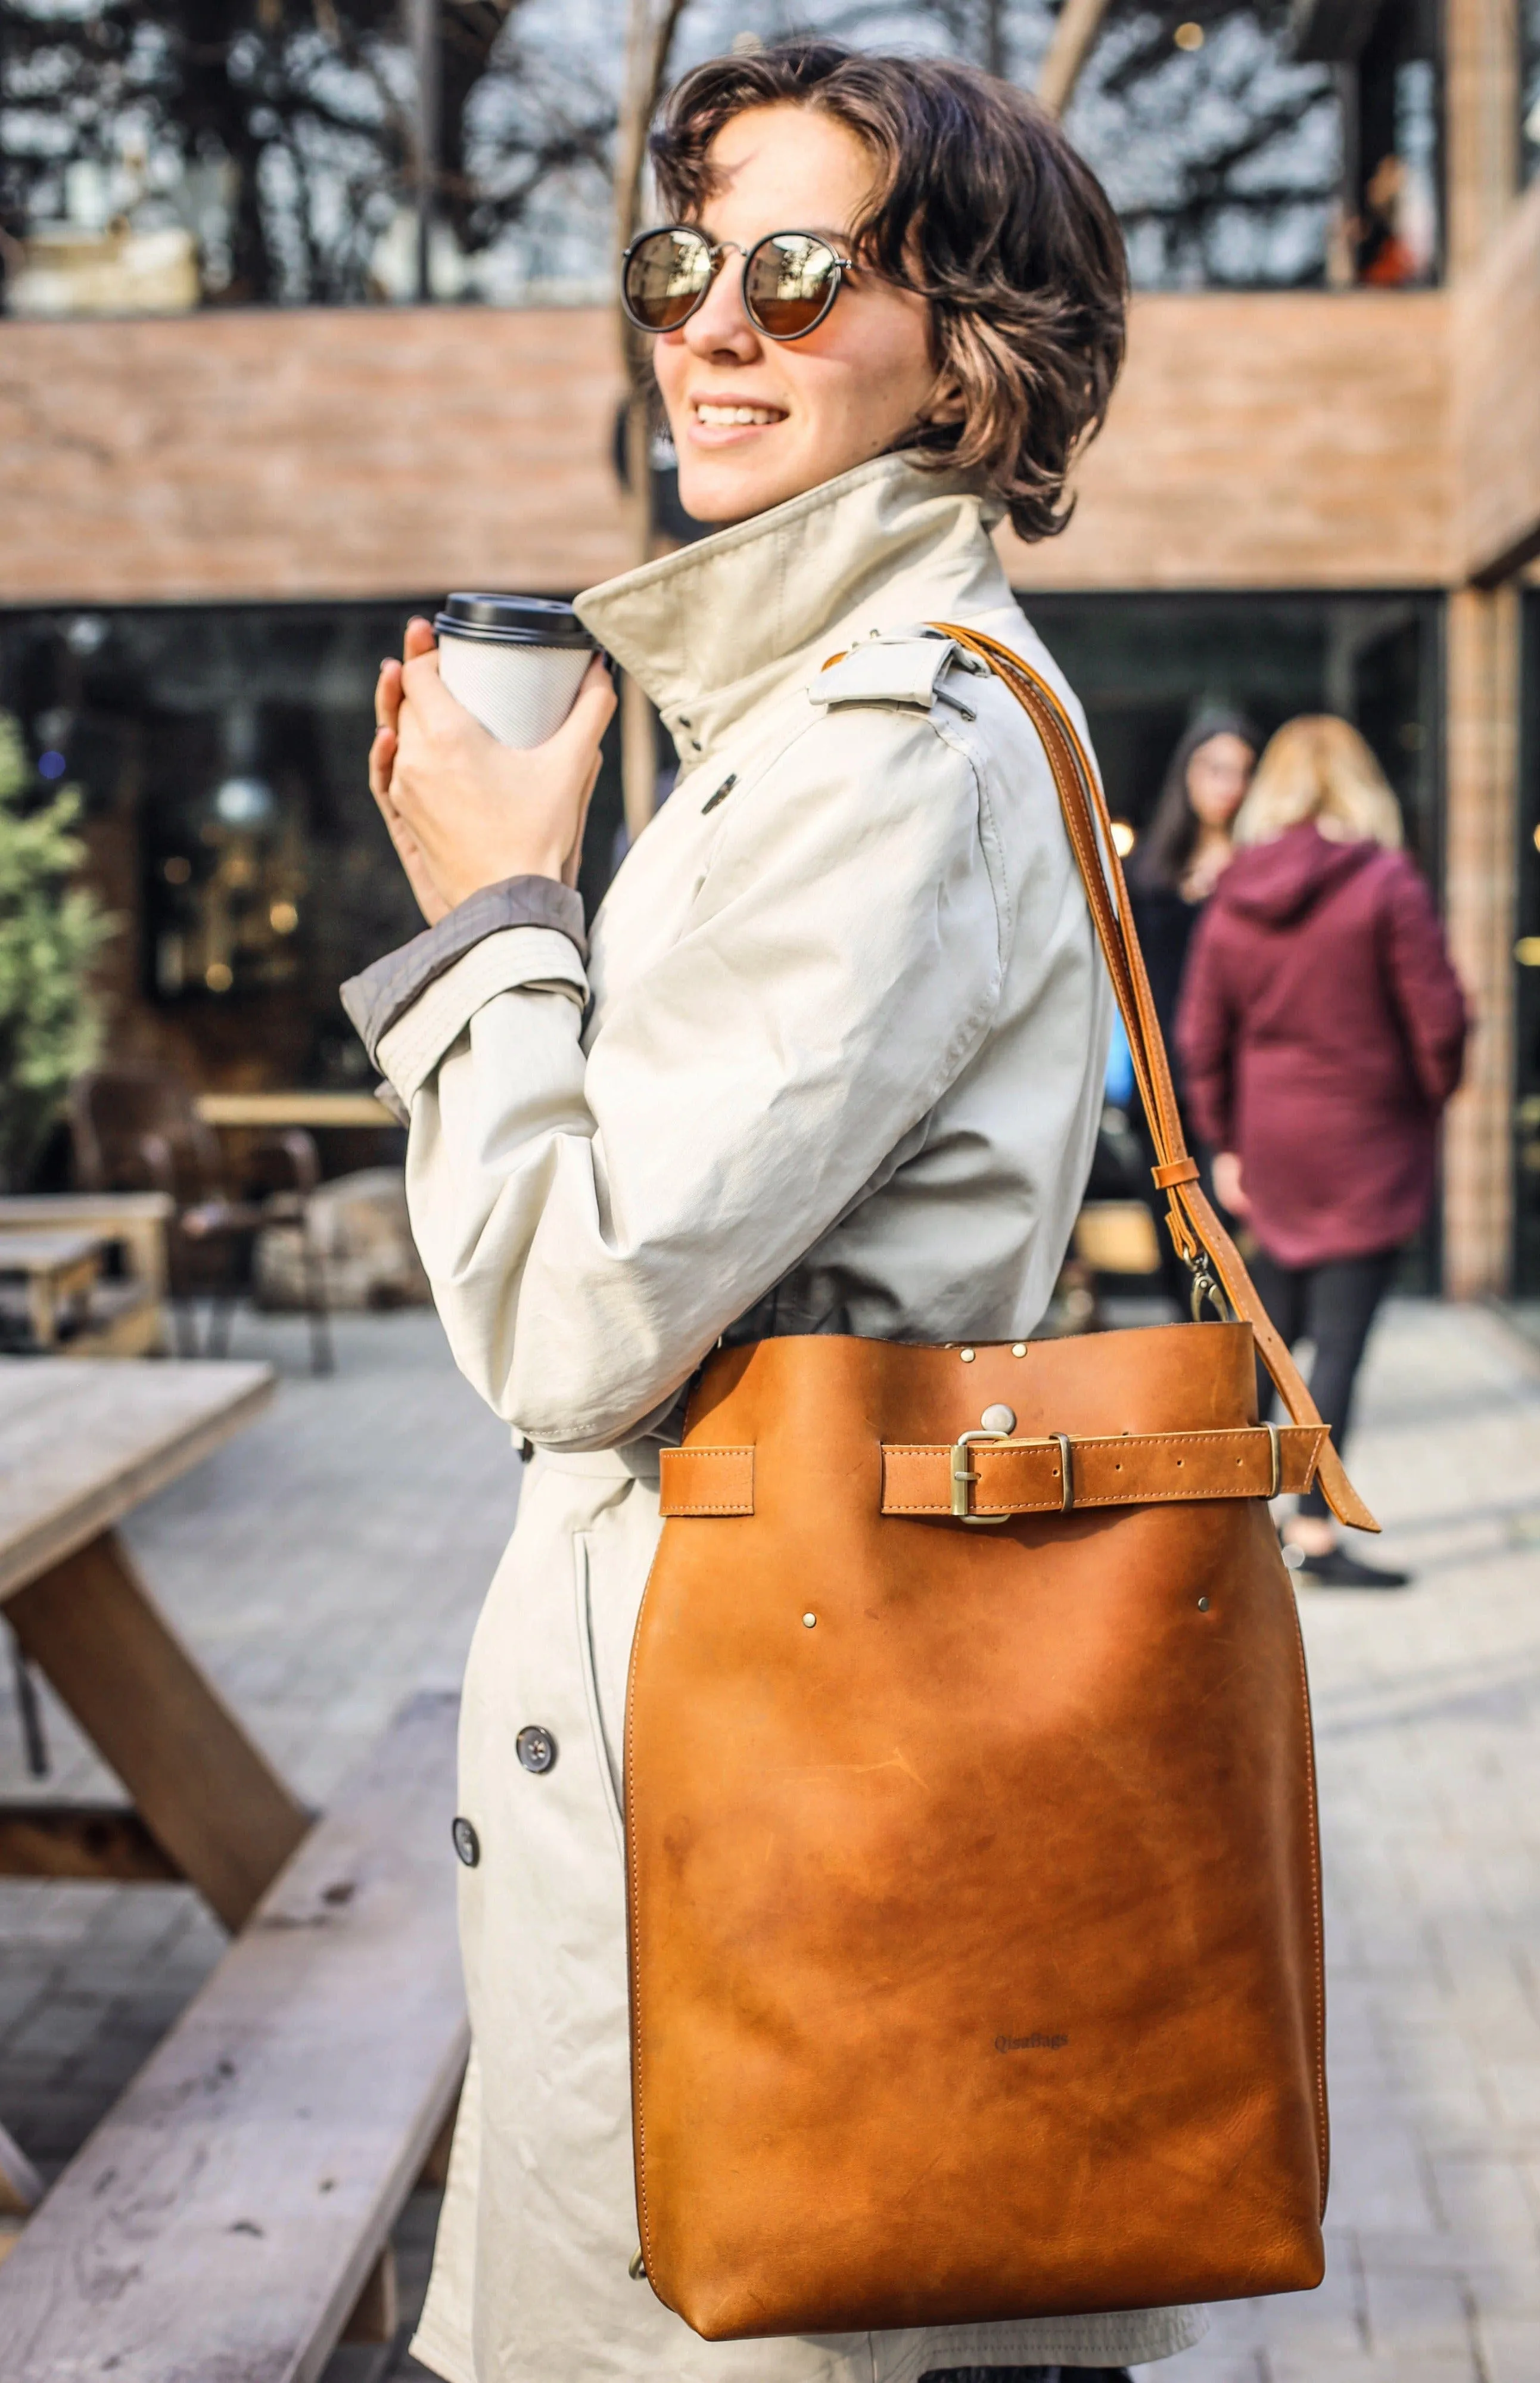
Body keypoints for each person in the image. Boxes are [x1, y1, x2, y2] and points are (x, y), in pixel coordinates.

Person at [345, 40, 1204, 2383]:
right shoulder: (826, 715)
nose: (710, 323)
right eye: (681, 264)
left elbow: (569, 1324)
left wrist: (489, 914)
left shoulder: (878, 749)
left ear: (971, 356)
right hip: (784, 1795)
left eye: (804, 273)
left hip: (763, 1849)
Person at [1177, 715, 1467, 1590]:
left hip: (1270, 1140)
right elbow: (1441, 1021)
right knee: (1336, 1344)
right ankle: (1314, 1529)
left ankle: (1237, 1528)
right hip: (1365, 1140)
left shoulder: (1236, 888)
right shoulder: (1385, 881)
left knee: (1267, 1339)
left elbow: (1200, 1034)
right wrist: (1422, 1096)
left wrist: (1225, 1140)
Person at [1125, 712, 1256, 1304]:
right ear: (1187, 773)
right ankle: (1191, 1365)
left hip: (1236, 1084)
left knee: (1231, 1242)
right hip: (1160, 1085)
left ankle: (1235, 1371)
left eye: (1242, 771)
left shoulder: (1264, 870)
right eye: (1214, 767)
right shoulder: (1147, 871)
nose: (1227, 783)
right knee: (1174, 1246)